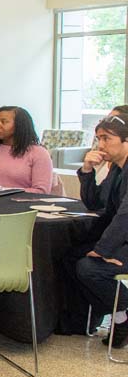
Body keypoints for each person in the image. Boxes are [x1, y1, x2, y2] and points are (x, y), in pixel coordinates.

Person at [72, 115, 128, 348]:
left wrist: (104, 249)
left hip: (123, 240)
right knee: (70, 255)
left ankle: (122, 314)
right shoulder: (116, 169)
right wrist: (87, 171)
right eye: (98, 139)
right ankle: (117, 316)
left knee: (90, 268)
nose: (101, 145)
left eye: (106, 138)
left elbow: (125, 216)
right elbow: (96, 203)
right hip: (122, 240)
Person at [0, 106, 53, 194]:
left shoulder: (38, 153)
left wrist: (4, 192)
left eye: (4, 122)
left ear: (20, 125)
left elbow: (41, 190)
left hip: (20, 204)